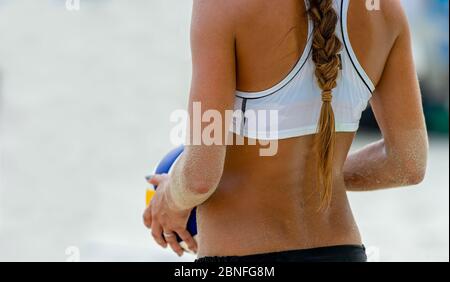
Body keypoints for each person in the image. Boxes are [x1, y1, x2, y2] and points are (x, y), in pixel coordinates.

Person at [143, 0, 428, 262]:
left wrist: (171, 198)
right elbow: (407, 163)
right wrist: (327, 173)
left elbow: (199, 178)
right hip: (343, 253)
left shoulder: (222, 6)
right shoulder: (385, 10)